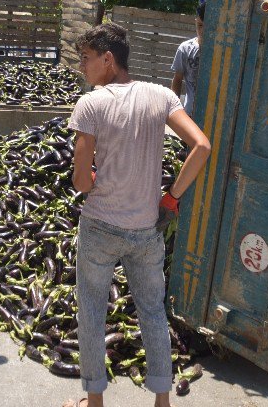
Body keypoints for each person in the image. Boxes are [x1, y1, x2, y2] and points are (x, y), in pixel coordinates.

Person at [65, 24, 211, 407]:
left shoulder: (91, 104)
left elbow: (81, 181)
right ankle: (162, 400)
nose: (82, 67)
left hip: (100, 227)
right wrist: (172, 197)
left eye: (86, 58)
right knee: (151, 311)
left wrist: (93, 177)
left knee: (93, 312)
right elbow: (201, 146)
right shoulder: (161, 96)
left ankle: (94, 402)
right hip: (146, 229)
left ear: (108, 60)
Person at [170, 1, 205, 116]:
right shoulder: (185, 49)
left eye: (207, 26)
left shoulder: (221, 51)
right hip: (190, 113)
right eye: (200, 25)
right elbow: (177, 79)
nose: (202, 31)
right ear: (196, 22)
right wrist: (174, 111)